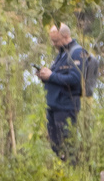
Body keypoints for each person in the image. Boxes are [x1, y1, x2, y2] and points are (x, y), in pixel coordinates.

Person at [35, 23, 88, 159]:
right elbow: (59, 78)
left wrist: (51, 76)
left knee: (67, 144)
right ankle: (64, 175)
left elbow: (75, 79)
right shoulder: (61, 55)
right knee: (56, 147)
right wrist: (45, 77)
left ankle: (75, 174)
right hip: (53, 106)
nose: (54, 44)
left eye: (56, 41)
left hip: (66, 106)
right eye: (52, 41)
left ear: (65, 36)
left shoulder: (77, 52)